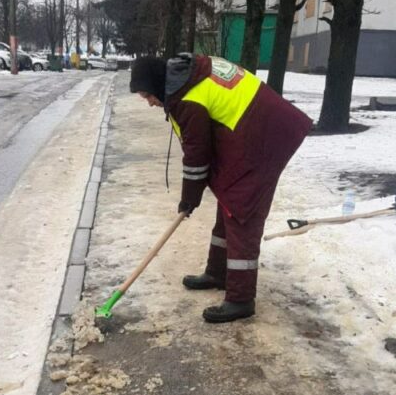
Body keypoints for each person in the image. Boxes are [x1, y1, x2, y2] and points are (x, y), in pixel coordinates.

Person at [130, 53, 312, 323]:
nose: (150, 103)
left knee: (242, 210)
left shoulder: (188, 99)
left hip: (266, 135)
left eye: (148, 96)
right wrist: (192, 196)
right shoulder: (186, 78)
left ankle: (240, 299)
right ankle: (218, 272)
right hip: (254, 127)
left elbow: (197, 156)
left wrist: (188, 200)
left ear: (158, 84)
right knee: (228, 199)